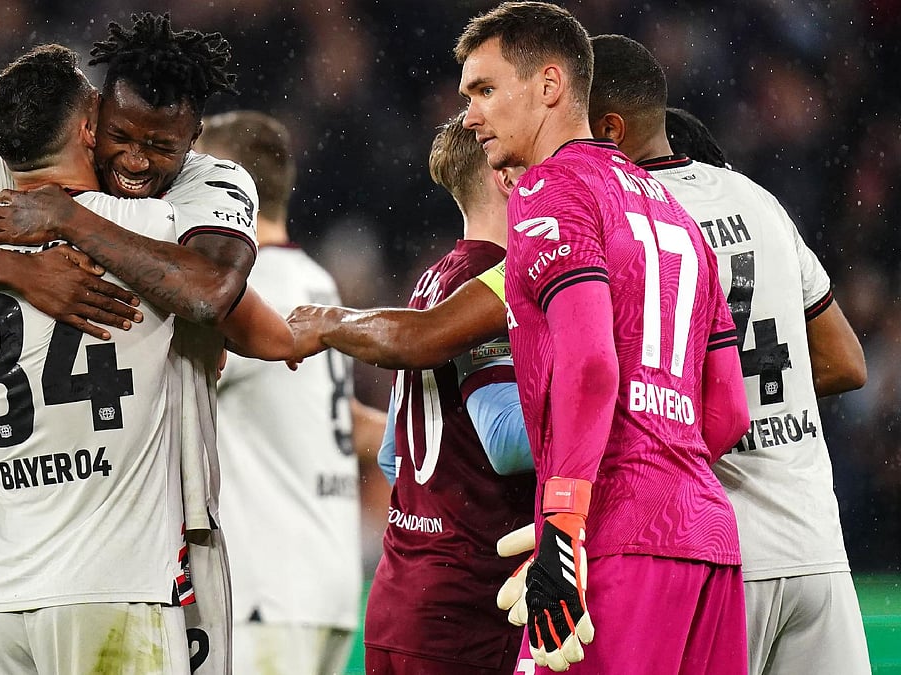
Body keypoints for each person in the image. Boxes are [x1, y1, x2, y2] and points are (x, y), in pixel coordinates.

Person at [290, 3, 752, 673]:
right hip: (707, 539)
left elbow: (591, 365)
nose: (470, 114)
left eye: (484, 90)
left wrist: (564, 524)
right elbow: (727, 411)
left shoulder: (549, 189)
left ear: (549, 86)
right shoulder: (674, 213)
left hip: (608, 536)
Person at [0, 19, 287, 673]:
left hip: (13, 583)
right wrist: (26, 270)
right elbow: (221, 302)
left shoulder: (194, 186)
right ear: (93, 119)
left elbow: (208, 295)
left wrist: (62, 221)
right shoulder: (155, 222)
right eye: (123, 135)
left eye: (160, 146)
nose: (138, 160)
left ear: (193, 140)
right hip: (125, 570)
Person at [587, 33, 870, 675]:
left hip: (707, 552)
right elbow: (846, 361)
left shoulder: (622, 221)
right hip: (814, 547)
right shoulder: (759, 202)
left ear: (606, 129)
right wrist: (756, 394)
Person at [192, 109, 386, 675]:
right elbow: (336, 417)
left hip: (267, 586)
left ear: (224, 187)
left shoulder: (249, 291)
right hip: (326, 581)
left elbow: (153, 392)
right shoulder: (316, 280)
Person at [359, 112, 536, 675]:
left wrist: (432, 524)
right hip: (465, 611)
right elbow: (507, 441)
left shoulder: (433, 279)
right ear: (507, 177)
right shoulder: (493, 285)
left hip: (401, 593)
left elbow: (393, 456)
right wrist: (629, 408)